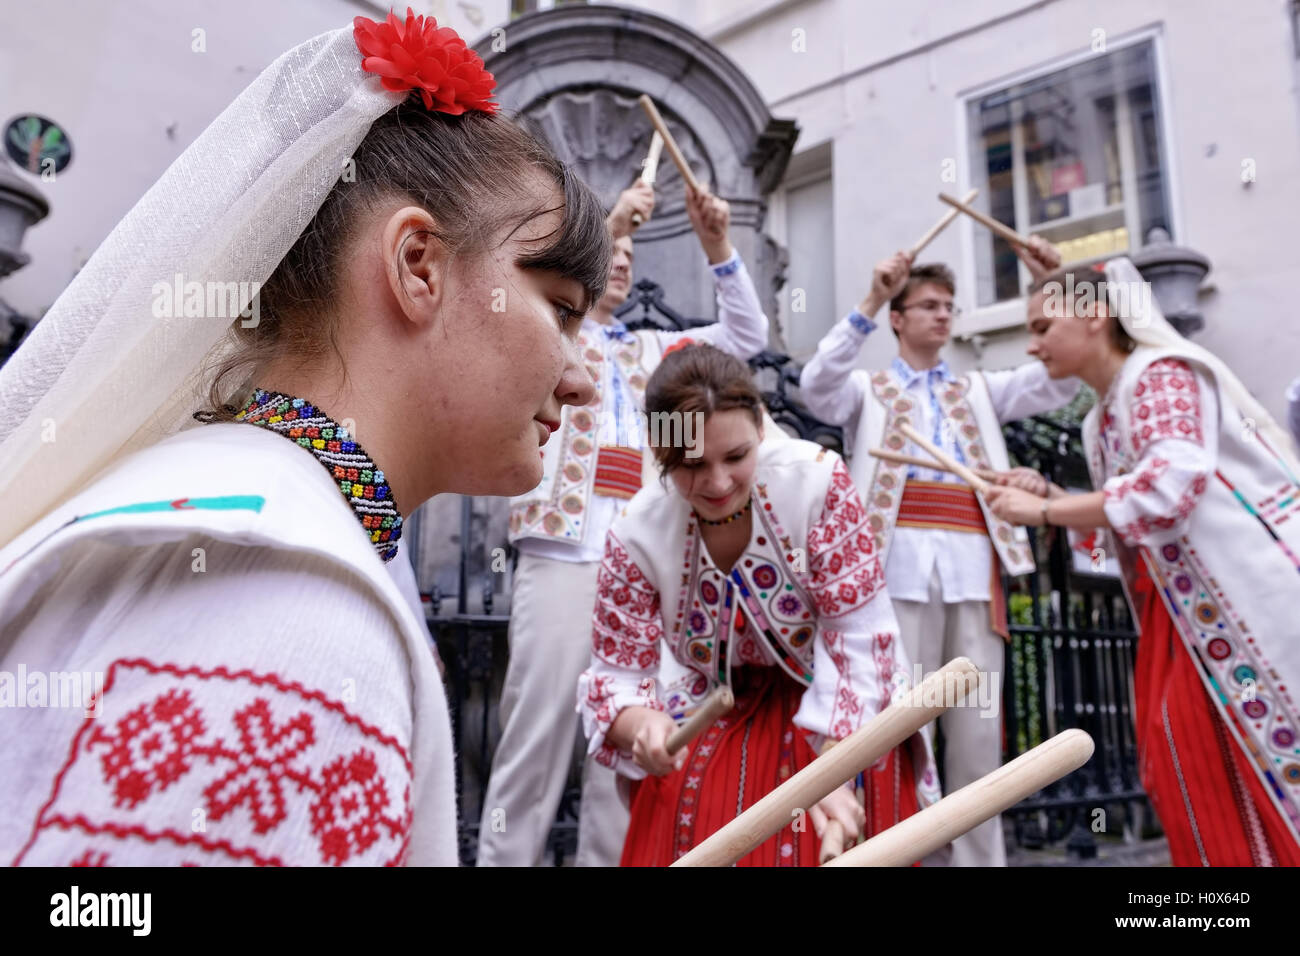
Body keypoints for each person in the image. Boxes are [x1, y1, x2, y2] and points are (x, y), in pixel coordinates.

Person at [0, 11, 610, 866]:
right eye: (564, 311)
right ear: (418, 267)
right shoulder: (294, 615)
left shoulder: (229, 505)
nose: (585, 382)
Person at [478, 174, 771, 867]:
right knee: (536, 737)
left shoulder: (652, 351)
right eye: (607, 253)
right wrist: (607, 225)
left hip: (637, 567)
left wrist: (717, 243)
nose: (621, 262)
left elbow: (747, 336)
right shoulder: (547, 329)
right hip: (560, 553)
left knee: (631, 741)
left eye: (628, 257)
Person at [985, 258, 1300, 866]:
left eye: (1044, 325)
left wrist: (1048, 513)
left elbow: (1169, 490)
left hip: (1236, 603)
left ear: (1096, 315)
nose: (1032, 343)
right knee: (1183, 765)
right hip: (1183, 613)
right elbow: (1129, 516)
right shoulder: (1101, 416)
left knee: (1211, 763)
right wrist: (1050, 497)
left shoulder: (1159, 374)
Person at [577, 344, 937, 866]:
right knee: (677, 783)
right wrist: (643, 726)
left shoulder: (818, 481)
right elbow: (616, 677)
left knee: (857, 795)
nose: (718, 483)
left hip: (837, 705)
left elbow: (862, 640)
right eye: (692, 465)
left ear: (760, 430)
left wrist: (833, 769)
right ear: (659, 451)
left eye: (736, 456)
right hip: (712, 706)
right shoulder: (635, 533)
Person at [797, 240, 1077, 866]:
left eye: (950, 306)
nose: (944, 316)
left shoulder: (981, 389)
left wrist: (1057, 286)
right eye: (928, 305)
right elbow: (815, 386)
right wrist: (870, 296)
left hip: (975, 577)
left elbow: (1057, 383)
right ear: (897, 318)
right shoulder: (865, 391)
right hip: (894, 577)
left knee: (978, 737)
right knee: (904, 729)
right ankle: (910, 856)